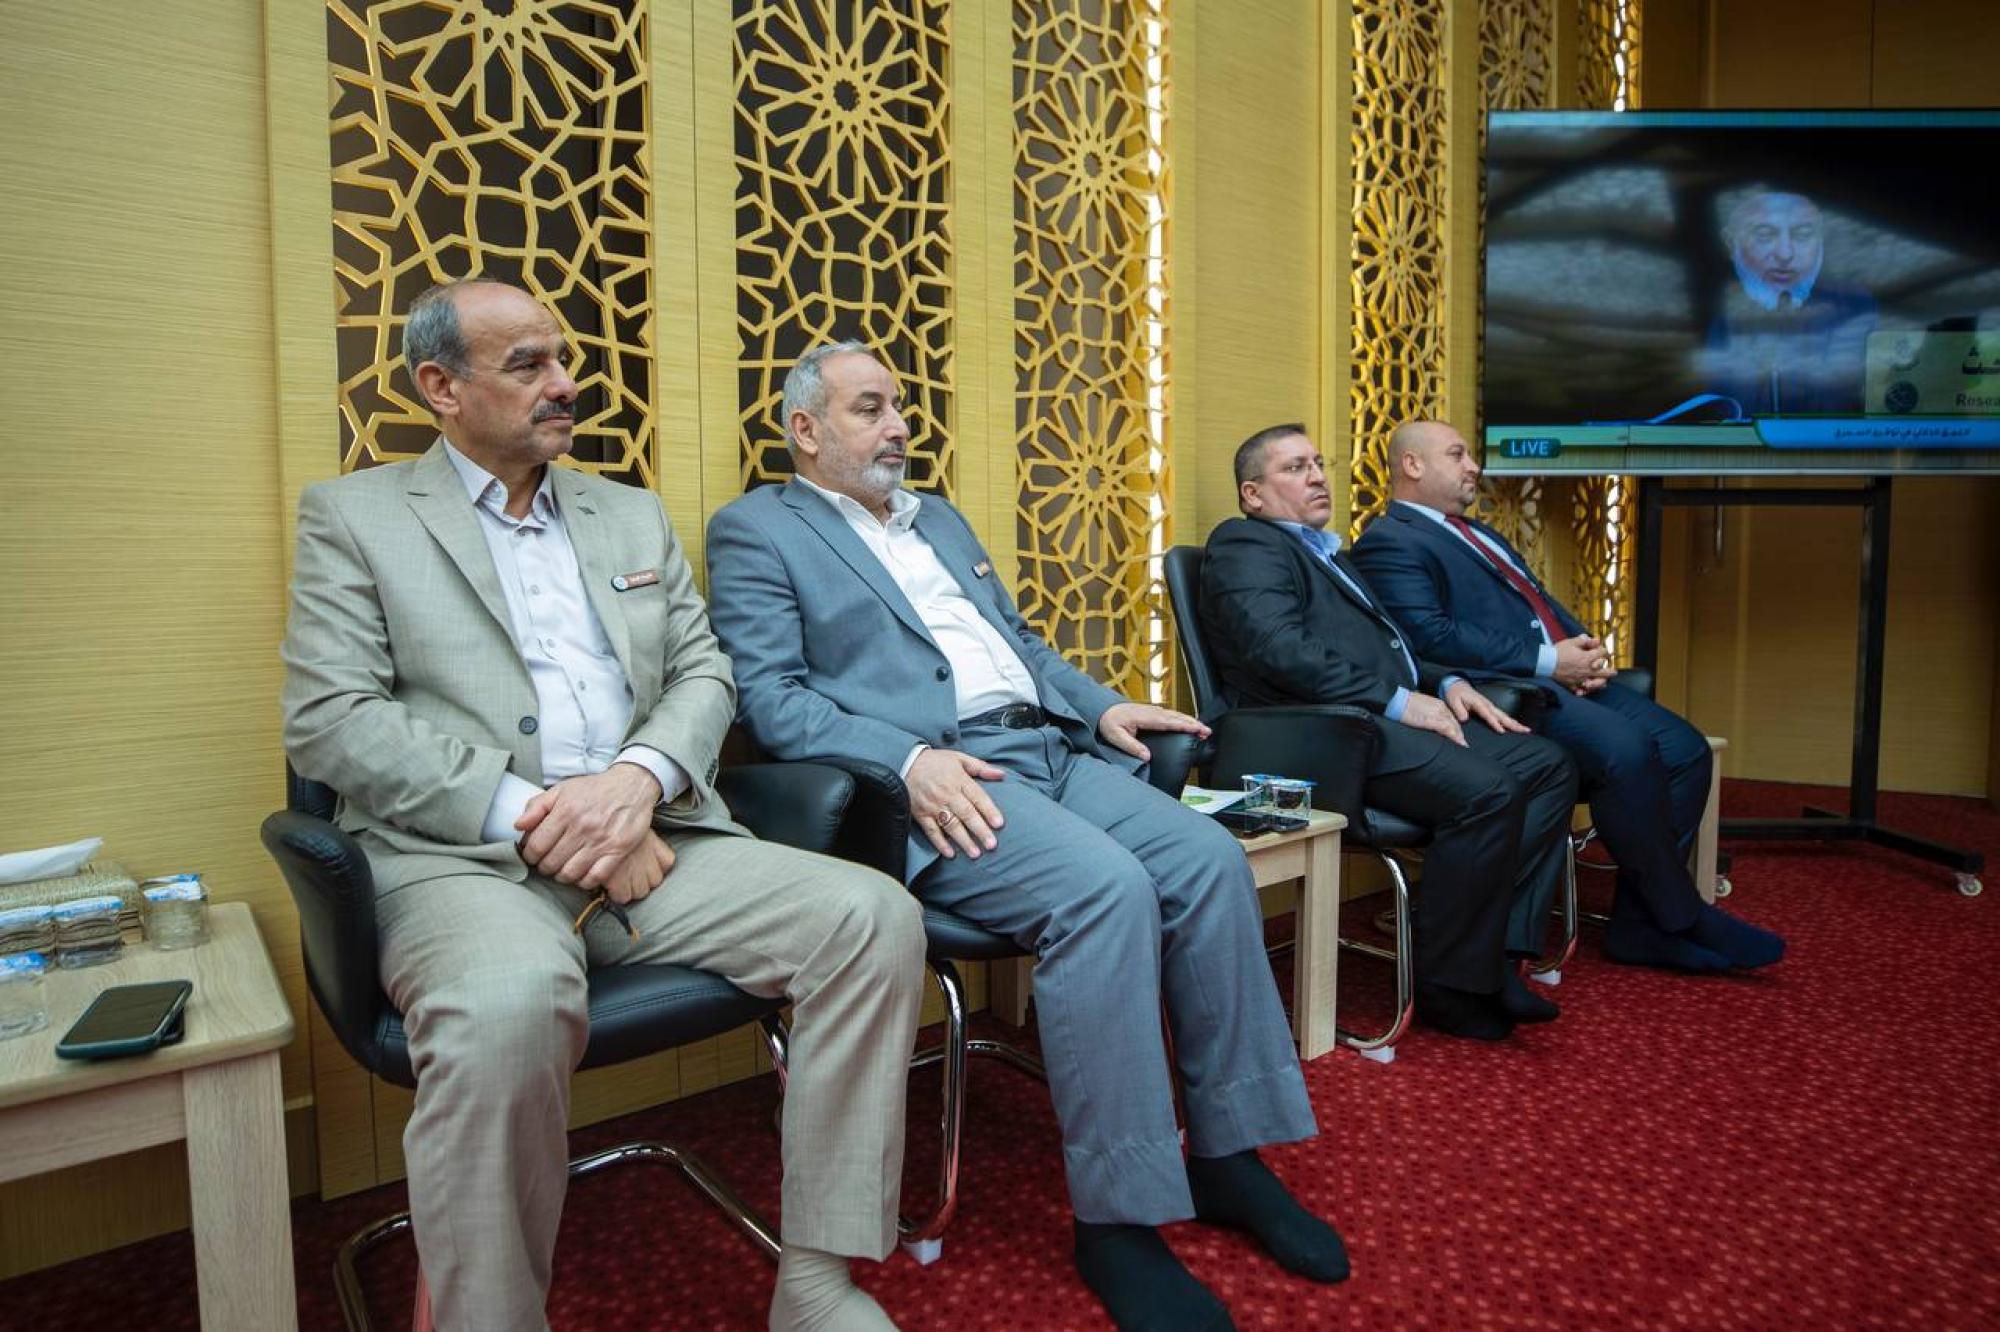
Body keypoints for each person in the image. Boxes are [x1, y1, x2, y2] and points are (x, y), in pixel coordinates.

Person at [281, 279, 926, 1332]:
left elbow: (704, 671)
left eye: (562, 358)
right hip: (459, 862)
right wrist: (548, 818)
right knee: (507, 1006)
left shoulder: (626, 512)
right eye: (527, 364)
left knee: (872, 919)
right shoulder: (355, 517)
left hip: (656, 838)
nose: (563, 382)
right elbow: (332, 721)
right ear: (440, 386)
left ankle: (817, 1282)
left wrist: (635, 785)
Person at [706, 343, 1345, 1332]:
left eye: (899, 406)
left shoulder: (939, 520)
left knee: (1210, 861)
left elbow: (1023, 648)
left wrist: (1102, 707)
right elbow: (772, 699)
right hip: (935, 782)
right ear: (804, 429)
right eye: (869, 408)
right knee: (1105, 893)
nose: (898, 426)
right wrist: (908, 761)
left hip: (1047, 751)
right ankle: (1118, 1220)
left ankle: (1226, 1158)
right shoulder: (758, 530)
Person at [1350, 419, 1785, 974]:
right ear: (1412, 465)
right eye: (1458, 455)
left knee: (1686, 750)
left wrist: (1580, 650)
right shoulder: (1390, 541)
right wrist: (1550, 661)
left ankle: (1640, 926)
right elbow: (1429, 637)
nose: (1474, 466)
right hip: (1504, 695)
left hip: (1558, 681)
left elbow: (1538, 601)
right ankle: (1681, 913)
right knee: (1628, 750)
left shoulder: (1478, 533)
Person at [1200, 424, 1579, 1039]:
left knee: (1548, 766)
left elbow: (1392, 649)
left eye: (1317, 463)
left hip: (1370, 722)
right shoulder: (1245, 543)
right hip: (1314, 736)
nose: (1317, 476)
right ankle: (1451, 984)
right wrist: (1401, 702)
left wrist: (1446, 682)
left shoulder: (1329, 554)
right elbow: (1279, 652)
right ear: (1253, 495)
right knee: (1488, 791)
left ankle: (1492, 957)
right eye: (1294, 468)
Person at [1701, 189, 1877, 415]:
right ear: (1731, 241)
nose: (1785, 254)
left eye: (1802, 235)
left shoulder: (1855, 307)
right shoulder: (1720, 322)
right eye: (1764, 235)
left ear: (1821, 241)